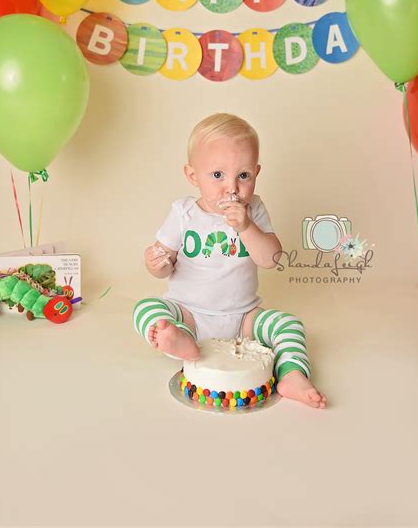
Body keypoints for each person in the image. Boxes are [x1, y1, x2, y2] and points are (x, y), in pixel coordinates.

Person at [133, 113, 327, 409]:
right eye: (217, 175)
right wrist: (156, 264)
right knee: (146, 309)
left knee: (288, 324)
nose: (232, 188)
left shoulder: (254, 209)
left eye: (244, 176)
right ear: (192, 175)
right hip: (190, 313)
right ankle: (182, 341)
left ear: (257, 173)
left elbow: (271, 259)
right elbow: (163, 263)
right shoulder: (184, 213)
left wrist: (247, 227)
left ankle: (292, 375)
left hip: (243, 320)